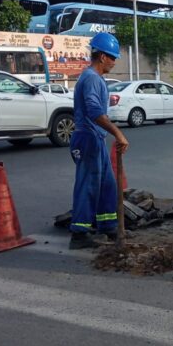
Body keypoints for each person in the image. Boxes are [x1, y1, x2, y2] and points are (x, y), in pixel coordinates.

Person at [68, 33, 130, 250]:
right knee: (89, 185)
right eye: (112, 57)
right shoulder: (92, 78)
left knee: (107, 185)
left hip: (96, 138)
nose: (114, 62)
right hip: (87, 138)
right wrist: (118, 133)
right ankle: (79, 233)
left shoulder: (95, 78)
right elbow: (95, 111)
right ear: (102, 56)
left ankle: (108, 225)